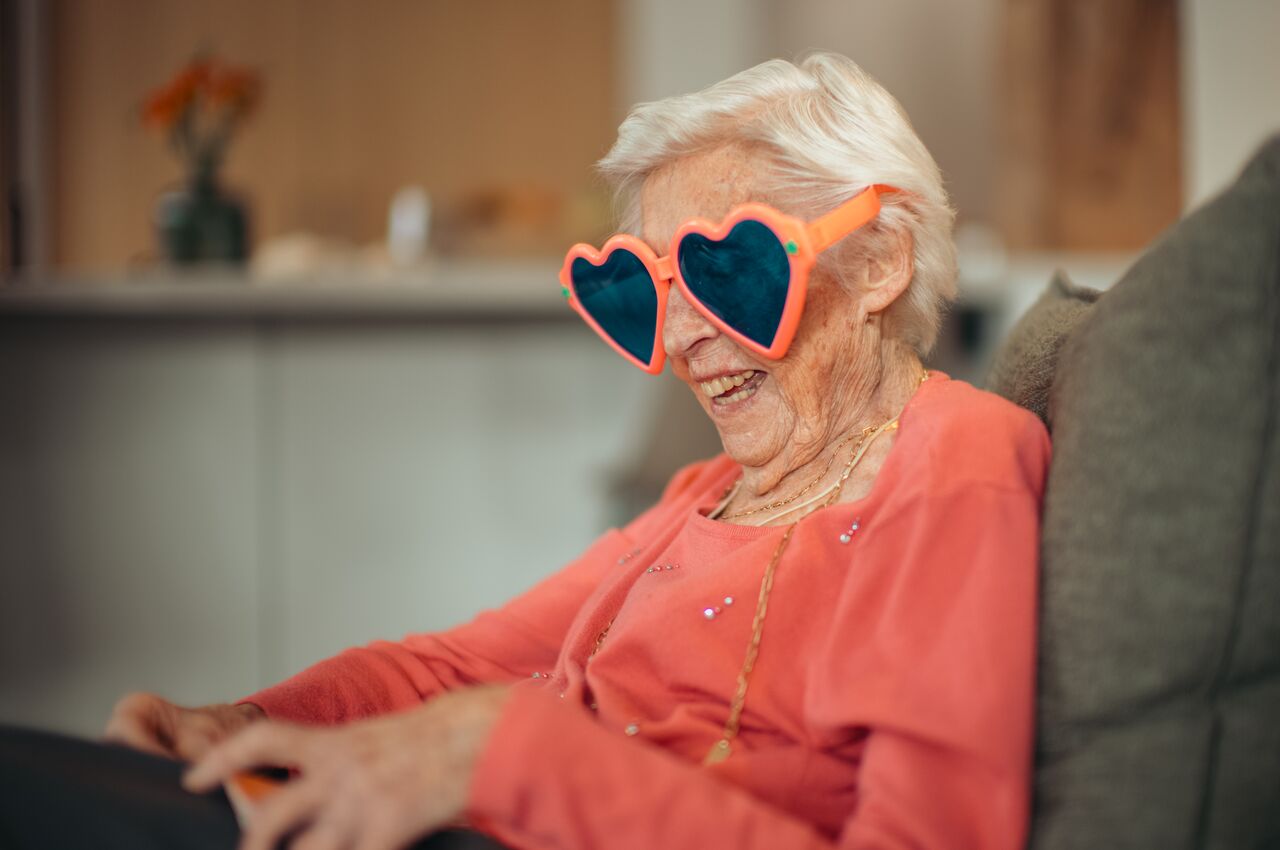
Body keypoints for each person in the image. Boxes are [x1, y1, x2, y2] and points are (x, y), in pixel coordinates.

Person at [0, 52, 1049, 850]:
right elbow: (458, 664)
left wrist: (504, 754)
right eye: (645, 292)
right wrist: (239, 720)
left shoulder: (953, 459)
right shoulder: (709, 493)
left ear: (877, 263)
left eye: (725, 274)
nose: (681, 340)